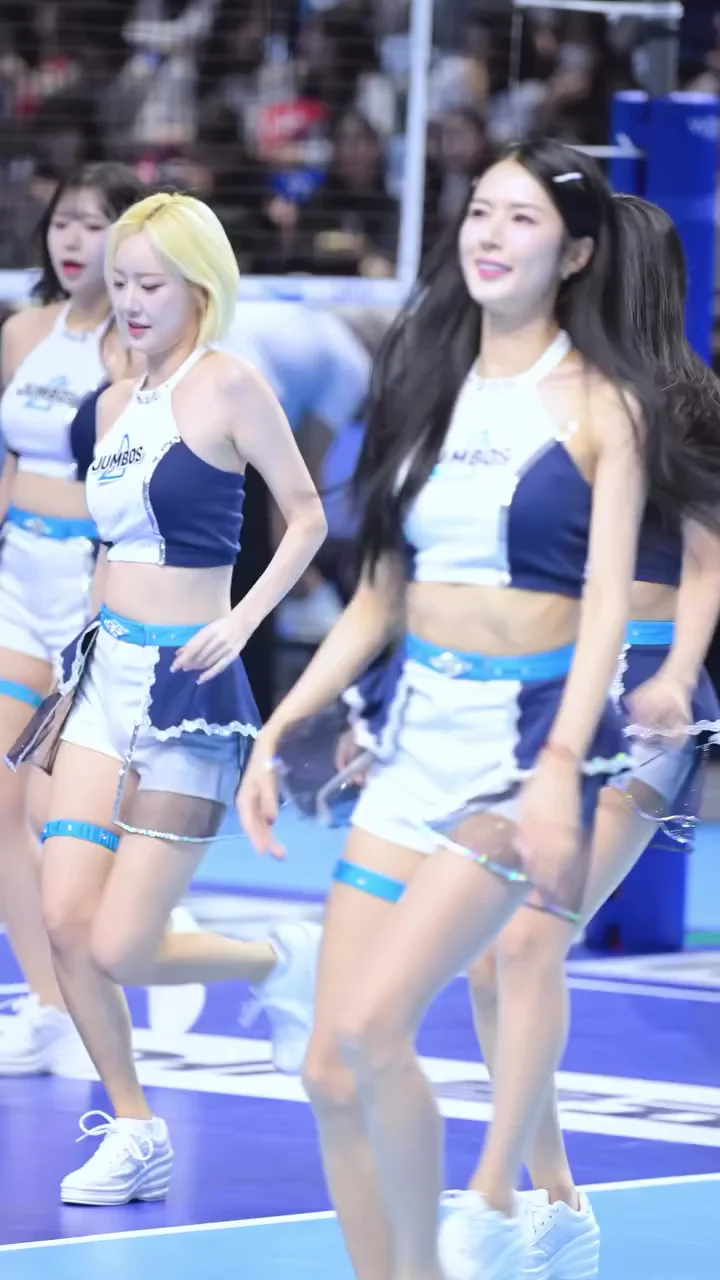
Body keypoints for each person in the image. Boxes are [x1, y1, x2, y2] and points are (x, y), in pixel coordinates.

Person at [237, 140, 699, 1280]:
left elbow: (624, 595)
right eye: (481, 211)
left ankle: (496, 1198)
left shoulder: (625, 407)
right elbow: (384, 595)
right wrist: (282, 722)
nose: (491, 235)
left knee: (428, 997)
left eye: (523, 219)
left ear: (579, 256)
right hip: (422, 740)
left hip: (542, 740)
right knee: (336, 1062)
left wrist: (573, 755)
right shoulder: (427, 385)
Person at [6, 191, 327, 1205]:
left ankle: (278, 958)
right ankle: (135, 1126)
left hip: (190, 694)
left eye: (151, 283)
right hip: (102, 682)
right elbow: (110, 544)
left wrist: (244, 618)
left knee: (122, 943)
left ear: (198, 286)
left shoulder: (230, 384)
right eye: (122, 283)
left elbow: (307, 516)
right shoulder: (109, 402)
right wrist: (75, 657)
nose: (131, 301)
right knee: (64, 924)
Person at [441, 194, 720, 1280]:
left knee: (524, 944)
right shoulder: (550, 394)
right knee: (491, 959)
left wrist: (679, 674)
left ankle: (505, 1196)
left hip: (644, 702)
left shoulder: (688, 403)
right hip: (548, 693)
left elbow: (707, 562)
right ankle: (556, 1202)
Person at [0, 162, 147, 1074]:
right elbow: (10, 458)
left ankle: (103, 983)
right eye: (64, 221)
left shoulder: (134, 348)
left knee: (62, 821)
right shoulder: (23, 332)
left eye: (95, 224)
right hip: (16, 580)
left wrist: (107, 597)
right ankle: (48, 1004)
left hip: (90, 590)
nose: (73, 239)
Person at [219, 300, 374, 642]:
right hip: (229, 380)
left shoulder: (317, 334)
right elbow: (302, 489)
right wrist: (311, 591)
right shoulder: (355, 368)